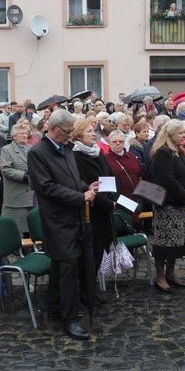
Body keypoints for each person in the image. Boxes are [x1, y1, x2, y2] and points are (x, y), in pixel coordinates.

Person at [27, 109, 100, 340]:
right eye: (67, 132)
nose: (70, 136)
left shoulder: (66, 148)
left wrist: (85, 187)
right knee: (67, 266)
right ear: (52, 129)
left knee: (61, 265)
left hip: (74, 216)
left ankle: (55, 307)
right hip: (57, 220)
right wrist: (80, 197)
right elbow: (46, 187)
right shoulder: (38, 153)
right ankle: (70, 319)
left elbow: (71, 178)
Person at [71, 119, 115, 305]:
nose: (93, 133)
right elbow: (84, 184)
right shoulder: (76, 156)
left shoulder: (98, 153)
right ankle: (85, 290)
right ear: (79, 135)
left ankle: (93, 286)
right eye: (89, 131)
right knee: (89, 252)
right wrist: (107, 203)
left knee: (99, 252)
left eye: (93, 130)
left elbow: (109, 176)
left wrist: (114, 198)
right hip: (91, 210)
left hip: (104, 209)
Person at [151, 119, 185, 294]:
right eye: (181, 133)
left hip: (178, 204)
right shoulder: (163, 153)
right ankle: (160, 276)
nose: (184, 136)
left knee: (176, 242)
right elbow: (168, 180)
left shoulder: (178, 151)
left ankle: (171, 273)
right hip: (166, 205)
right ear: (170, 134)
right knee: (164, 244)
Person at [0, 123, 34, 234]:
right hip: (16, 196)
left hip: (32, 195)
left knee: (31, 229)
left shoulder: (31, 148)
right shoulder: (7, 150)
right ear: (14, 136)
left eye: (26, 133)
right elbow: (6, 169)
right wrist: (24, 176)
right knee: (17, 229)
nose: (24, 136)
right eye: (21, 133)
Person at [104, 130, 142, 220]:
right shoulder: (105, 159)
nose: (118, 144)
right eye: (114, 141)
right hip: (120, 200)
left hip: (136, 197)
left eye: (120, 141)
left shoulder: (131, 156)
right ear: (109, 143)